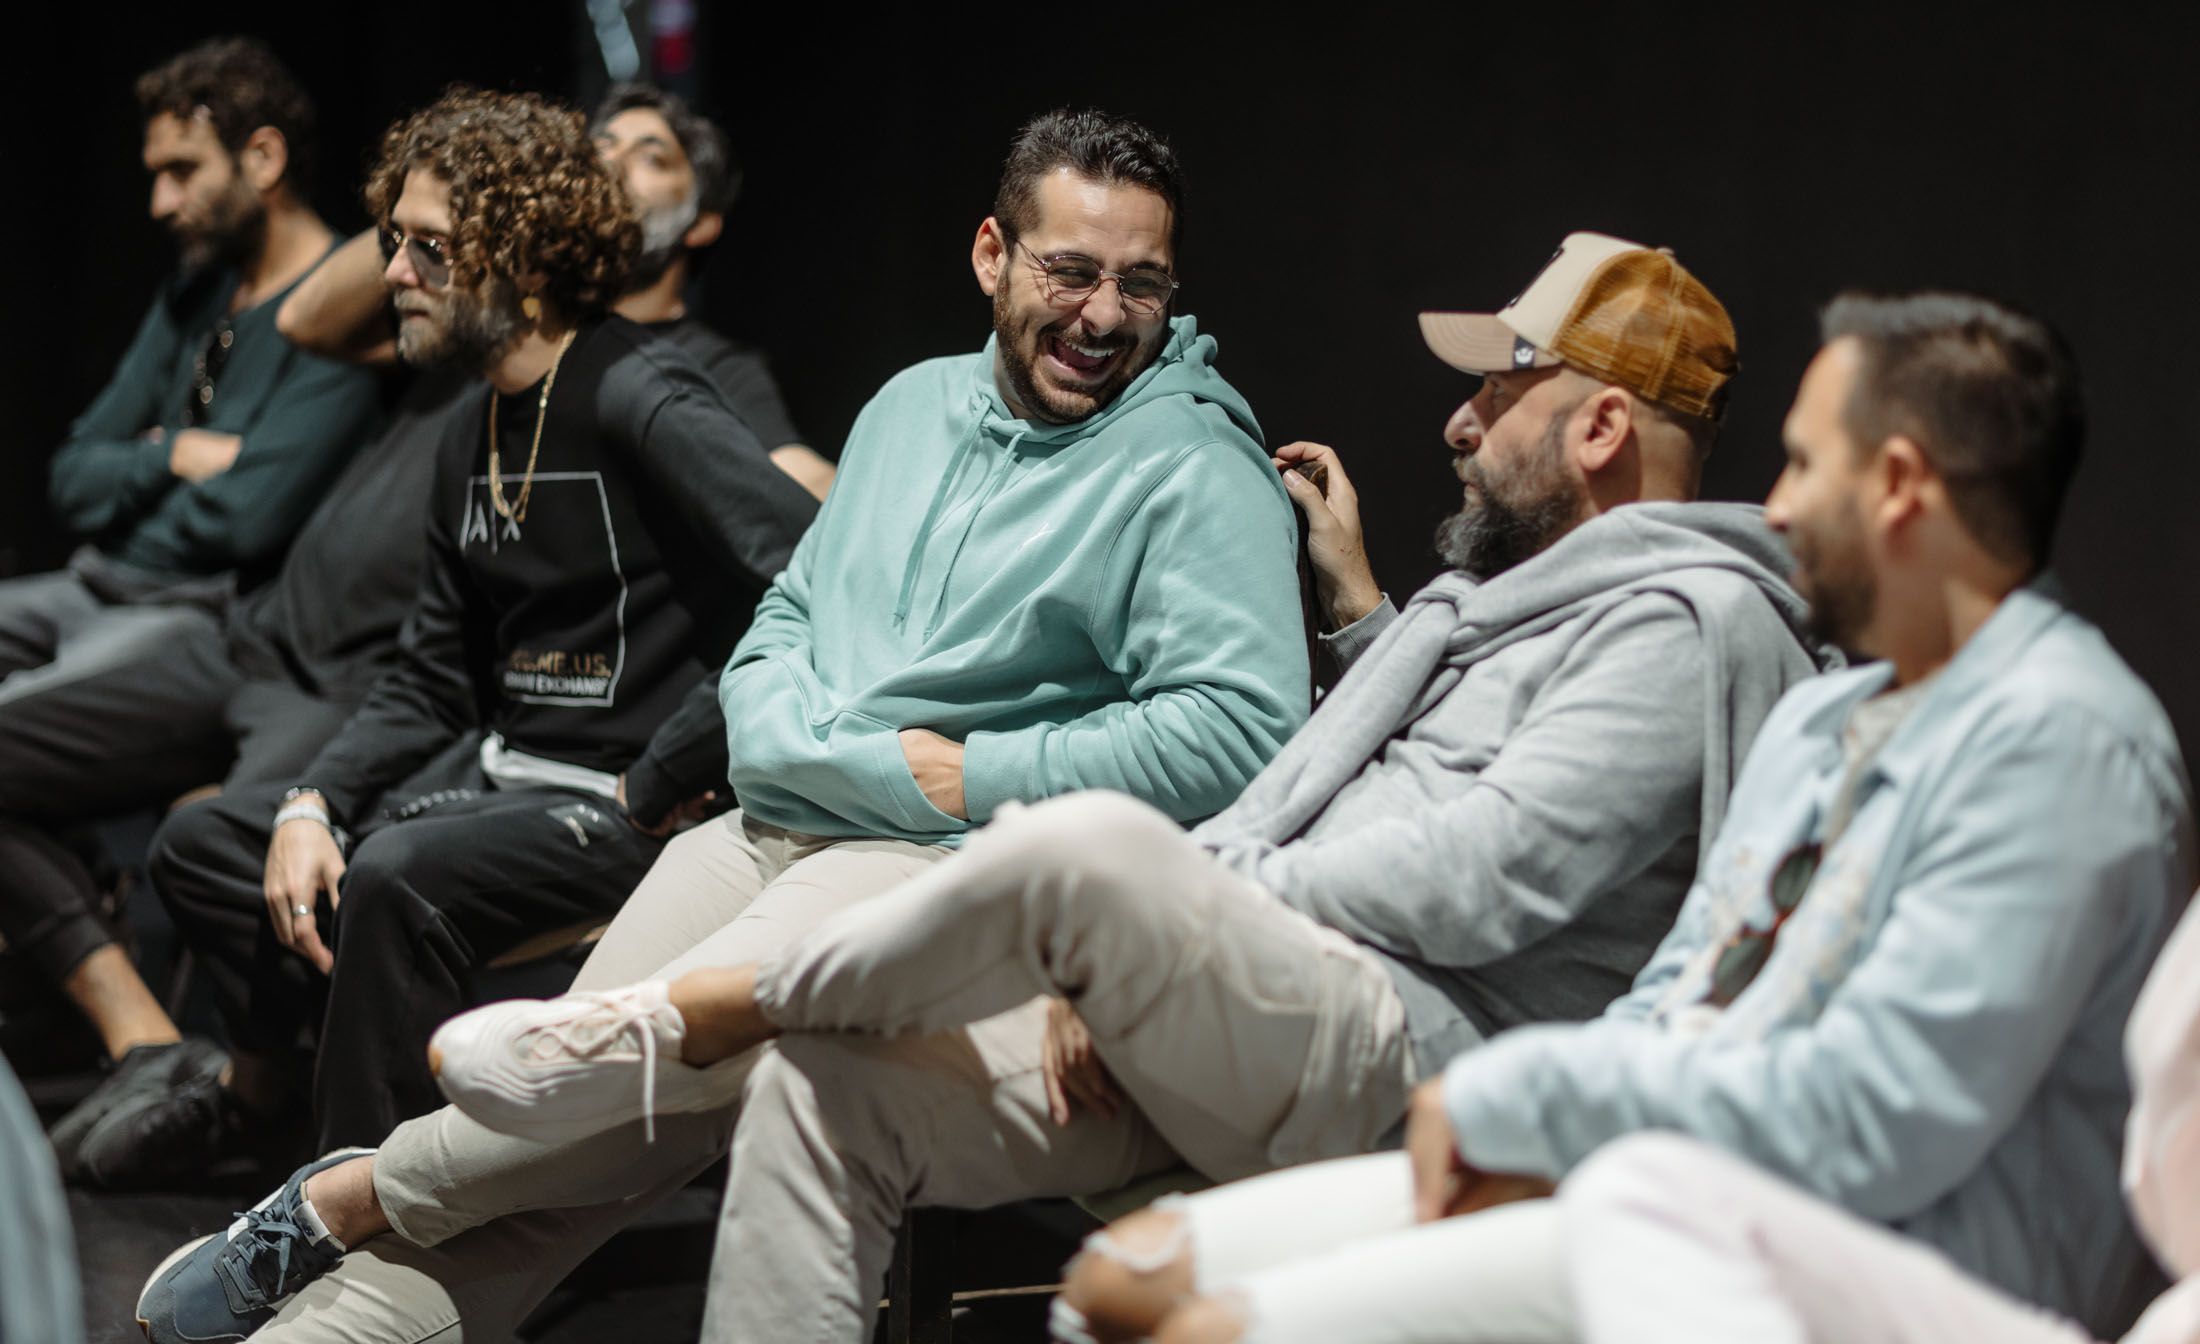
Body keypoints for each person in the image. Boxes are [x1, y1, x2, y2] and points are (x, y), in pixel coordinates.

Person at [402, 230, 1822, 1344]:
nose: (1460, 424)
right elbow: (1439, 769)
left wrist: (1191, 915)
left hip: (1417, 1050)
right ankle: (685, 1045)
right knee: (826, 1094)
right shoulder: (1513, 607)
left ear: (1596, 431)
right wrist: (1362, 621)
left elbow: (1480, 872)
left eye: (1500, 388)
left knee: (1084, 836)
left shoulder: (1686, 625)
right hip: (1274, 1015)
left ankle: (679, 1016)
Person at [137, 105, 1312, 1344]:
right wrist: (781, 740)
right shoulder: (911, 406)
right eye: (1070, 270)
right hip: (767, 818)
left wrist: (974, 775)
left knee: (595, 1092)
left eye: (1142, 282)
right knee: (580, 1139)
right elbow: (786, 614)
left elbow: (1239, 730)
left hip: (924, 857)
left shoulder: (1193, 462)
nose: (1106, 314)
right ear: (991, 255)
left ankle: (349, 1192)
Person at [1052, 292, 2194, 1344]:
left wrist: (1530, 1103)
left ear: (1898, 484)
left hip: (1887, 1265)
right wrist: (1554, 1132)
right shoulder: (1825, 720)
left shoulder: (2060, 741)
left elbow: (1872, 1125)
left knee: (1202, 1325)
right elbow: (1683, 986)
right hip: (1677, 1184)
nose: (1777, 505)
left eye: (1805, 465)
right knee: (1122, 1279)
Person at [111, 87, 819, 1187]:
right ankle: (426, 1111)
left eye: (428, 249)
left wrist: (664, 772)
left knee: (392, 876)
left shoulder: (640, 394)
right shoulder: (471, 427)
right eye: (397, 242)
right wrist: (312, 800)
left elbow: (817, 582)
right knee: (212, 847)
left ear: (525, 260)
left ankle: (362, 1228)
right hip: (500, 777)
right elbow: (431, 679)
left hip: (618, 802)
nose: (393, 273)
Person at [0, 33, 379, 1164]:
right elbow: (73, 466)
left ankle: (140, 1034)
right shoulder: (196, 293)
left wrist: (162, 473)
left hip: (204, 614)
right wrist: (171, 455)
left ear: (261, 157)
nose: (161, 199)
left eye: (183, 171)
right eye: (154, 173)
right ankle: (120, 997)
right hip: (97, 582)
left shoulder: (336, 316)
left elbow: (250, 519)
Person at [1559, 886, 2200, 1344]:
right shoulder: (1814, 728)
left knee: (1642, 1196)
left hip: (1905, 1222)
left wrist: (1532, 1111)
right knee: (1643, 1193)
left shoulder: (2061, 740)